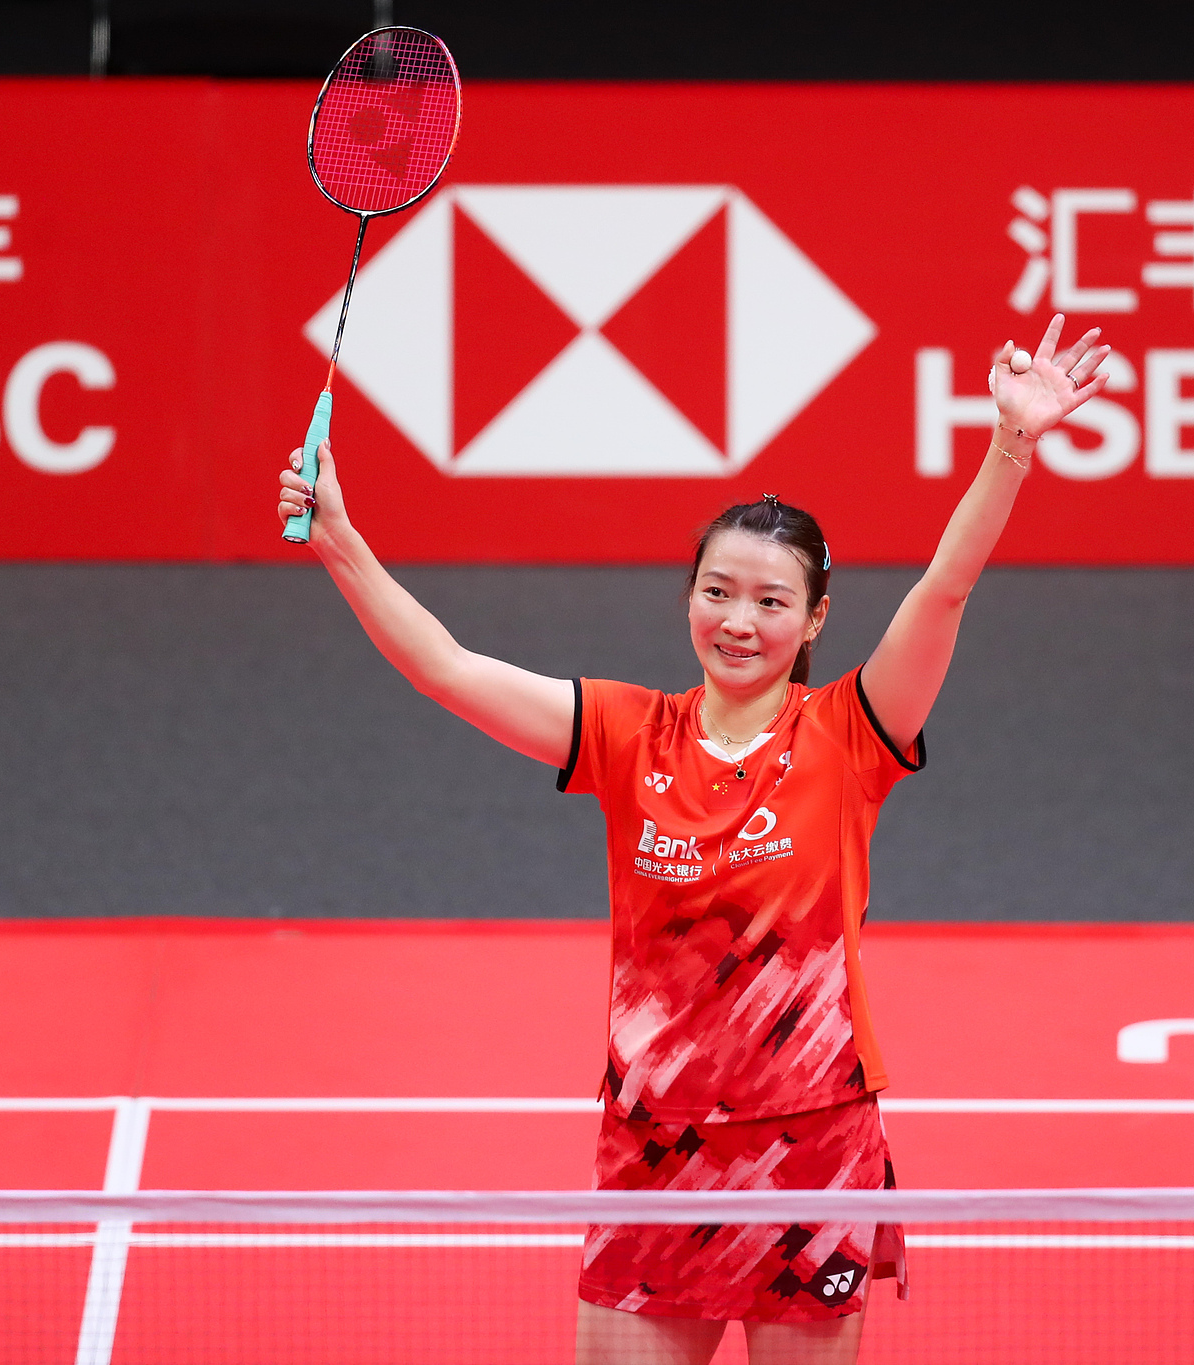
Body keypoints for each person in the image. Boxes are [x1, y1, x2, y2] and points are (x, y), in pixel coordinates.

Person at [276, 315, 1110, 1365]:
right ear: (688, 600)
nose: (737, 620)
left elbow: (942, 589)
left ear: (812, 621)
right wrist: (340, 539)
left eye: (770, 601)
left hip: (808, 1149)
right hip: (652, 1151)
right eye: (717, 592)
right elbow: (446, 669)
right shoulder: (627, 732)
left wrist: (1008, 446)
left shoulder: (853, 733)